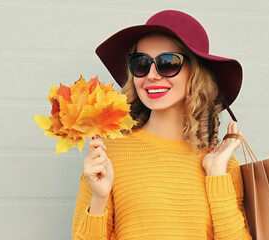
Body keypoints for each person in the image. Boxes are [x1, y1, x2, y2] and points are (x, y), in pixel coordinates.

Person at [72, 10, 251, 239]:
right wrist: (99, 199)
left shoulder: (223, 166)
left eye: (167, 63)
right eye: (141, 63)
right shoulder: (108, 153)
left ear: (196, 73)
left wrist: (216, 175)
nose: (152, 75)